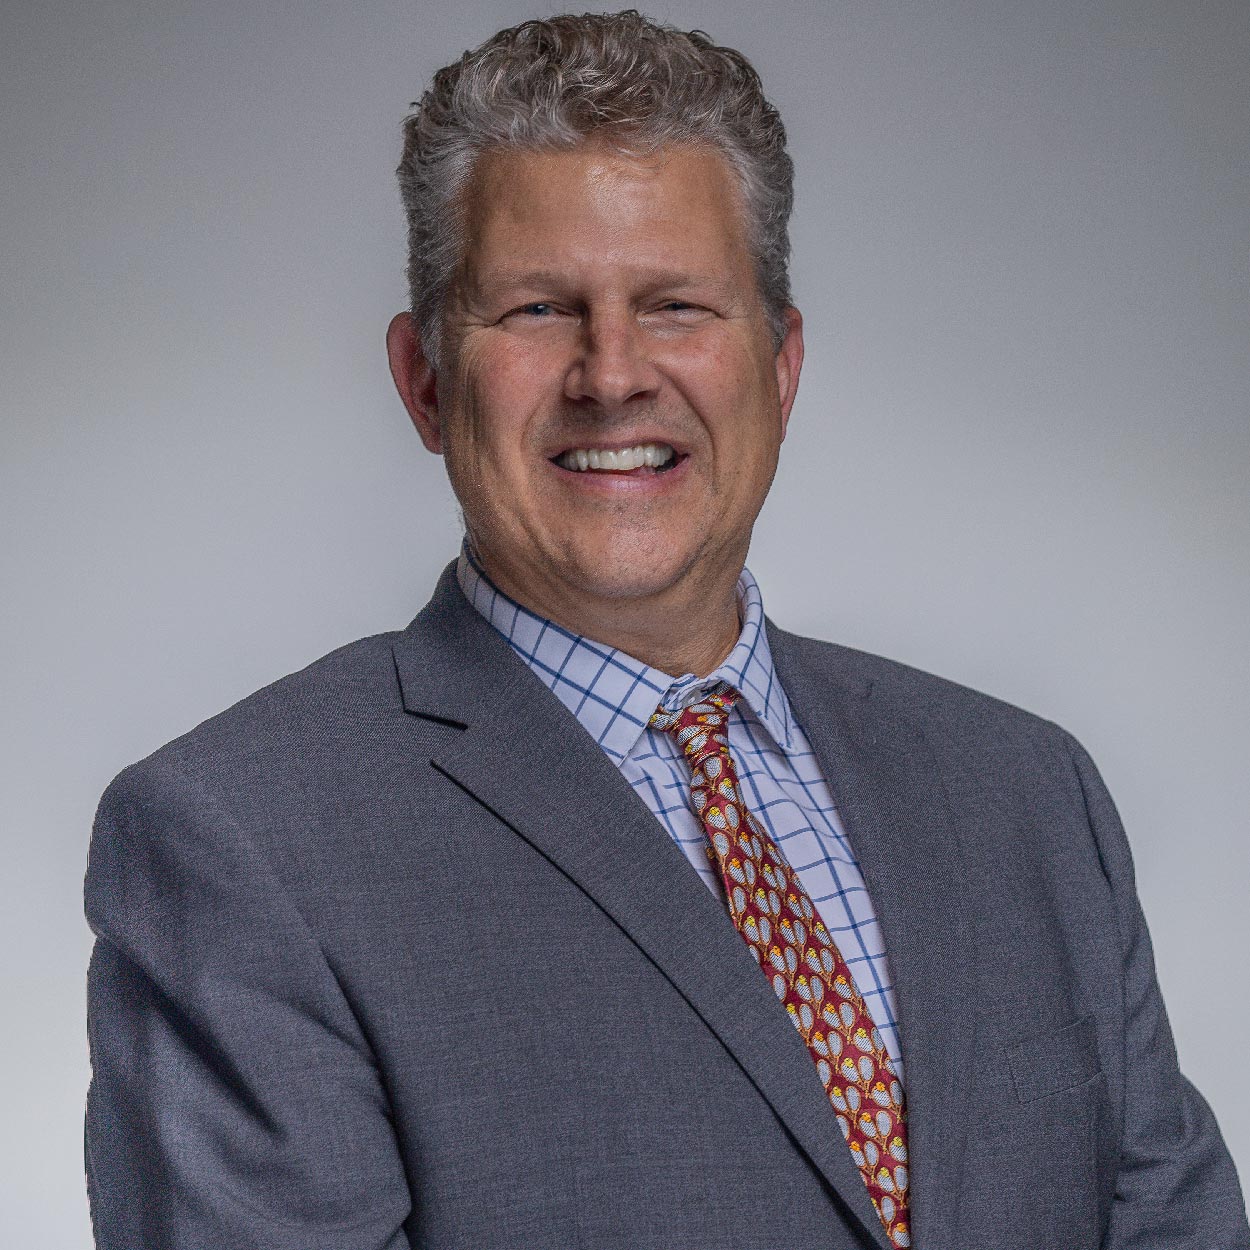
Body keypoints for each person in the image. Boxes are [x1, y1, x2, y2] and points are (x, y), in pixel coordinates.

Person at [84, 11, 1248, 1249]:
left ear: (780, 369)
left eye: (678, 305)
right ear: (424, 381)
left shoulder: (1024, 791)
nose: (612, 372)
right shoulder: (239, 841)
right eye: (536, 309)